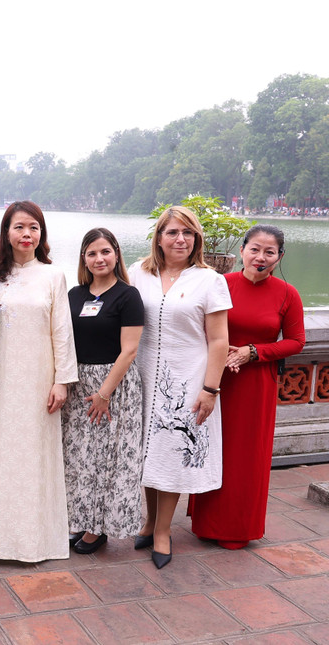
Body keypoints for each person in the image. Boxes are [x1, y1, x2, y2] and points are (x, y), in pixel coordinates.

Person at [0, 200, 78, 562]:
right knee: (0, 455)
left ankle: (37, 541)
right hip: (1, 380)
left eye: (33, 227)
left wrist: (62, 380)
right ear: (6, 233)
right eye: (19, 227)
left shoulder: (53, 275)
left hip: (39, 380)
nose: (26, 234)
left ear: (41, 233)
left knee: (36, 457)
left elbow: (61, 331)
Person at [189, 225, 305, 549]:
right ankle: (207, 523)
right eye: (255, 249)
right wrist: (219, 351)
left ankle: (238, 528)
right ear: (242, 251)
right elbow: (197, 326)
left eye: (269, 252)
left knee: (247, 457)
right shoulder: (220, 284)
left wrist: (254, 351)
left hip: (256, 384)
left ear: (279, 256)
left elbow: (297, 341)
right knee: (213, 449)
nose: (260, 257)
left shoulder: (287, 294)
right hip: (217, 379)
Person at [128, 205, 230, 569]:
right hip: (141, 375)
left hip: (186, 377)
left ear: (197, 239)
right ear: (159, 237)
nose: (180, 239)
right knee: (147, 451)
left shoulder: (209, 279)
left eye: (188, 233)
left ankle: (162, 531)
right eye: (172, 232)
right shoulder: (138, 273)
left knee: (171, 450)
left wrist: (210, 389)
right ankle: (148, 519)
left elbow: (219, 341)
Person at [60, 228, 145, 555]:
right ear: (84, 258)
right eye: (92, 253)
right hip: (79, 384)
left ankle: (100, 528)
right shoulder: (75, 295)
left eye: (105, 252)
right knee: (80, 459)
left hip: (114, 386)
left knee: (107, 460)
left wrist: (105, 393)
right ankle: (81, 519)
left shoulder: (127, 296)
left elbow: (130, 350)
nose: (99, 258)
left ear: (116, 254)